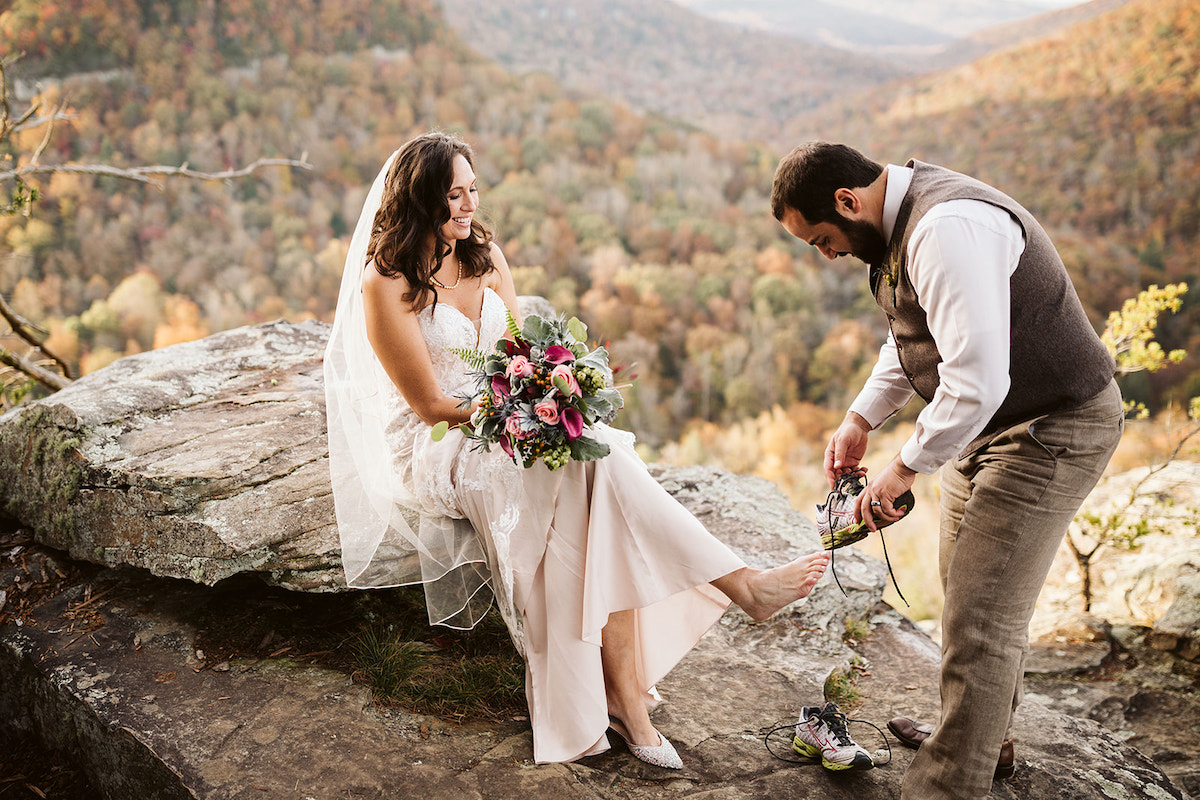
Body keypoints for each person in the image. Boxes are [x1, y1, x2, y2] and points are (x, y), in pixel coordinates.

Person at [324, 132, 830, 768]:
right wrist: (523, 412)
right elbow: (429, 407)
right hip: (442, 443)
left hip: (507, 416)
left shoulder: (486, 258)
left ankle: (629, 693)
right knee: (587, 470)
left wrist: (553, 397)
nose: (467, 206)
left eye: (473, 190)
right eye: (452, 195)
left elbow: (515, 355)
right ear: (419, 199)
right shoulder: (386, 282)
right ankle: (730, 595)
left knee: (593, 465)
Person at [770, 142, 1123, 799]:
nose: (827, 254)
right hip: (985, 430)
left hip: (1053, 427)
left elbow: (978, 380)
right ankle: (985, 741)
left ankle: (946, 784)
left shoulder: (947, 229)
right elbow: (914, 333)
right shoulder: (901, 229)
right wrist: (860, 419)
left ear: (849, 201)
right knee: (966, 595)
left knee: (982, 621)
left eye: (822, 238)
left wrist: (903, 468)